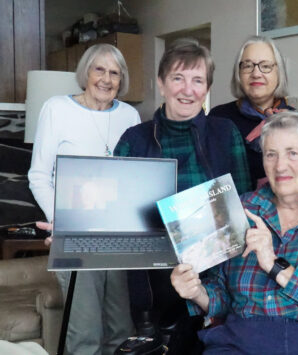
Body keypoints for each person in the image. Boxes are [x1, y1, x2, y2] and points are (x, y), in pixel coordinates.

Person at [170, 112, 298, 354]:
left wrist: (276, 266)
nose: (280, 166)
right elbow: (222, 296)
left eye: (293, 153)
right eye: (271, 154)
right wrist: (196, 292)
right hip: (243, 342)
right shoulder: (239, 210)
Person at [113, 38, 251, 354]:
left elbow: (243, 207)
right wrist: (72, 230)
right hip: (153, 291)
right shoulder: (134, 141)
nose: (187, 90)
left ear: (207, 88)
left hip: (216, 283)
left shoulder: (225, 133)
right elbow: (112, 211)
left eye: (197, 80)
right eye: (178, 78)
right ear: (161, 84)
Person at [28, 44, 141, 354]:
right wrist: (63, 220)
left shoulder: (130, 116)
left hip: (118, 235)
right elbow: (38, 175)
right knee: (85, 331)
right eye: (99, 69)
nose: (106, 79)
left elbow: (133, 178)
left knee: (121, 329)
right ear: (86, 73)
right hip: (75, 233)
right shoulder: (56, 108)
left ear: (122, 79)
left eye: (114, 72)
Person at [209, 36, 295, 187]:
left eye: (266, 66)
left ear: (279, 72)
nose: (256, 73)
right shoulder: (219, 118)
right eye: (247, 66)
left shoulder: (297, 120)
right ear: (239, 74)